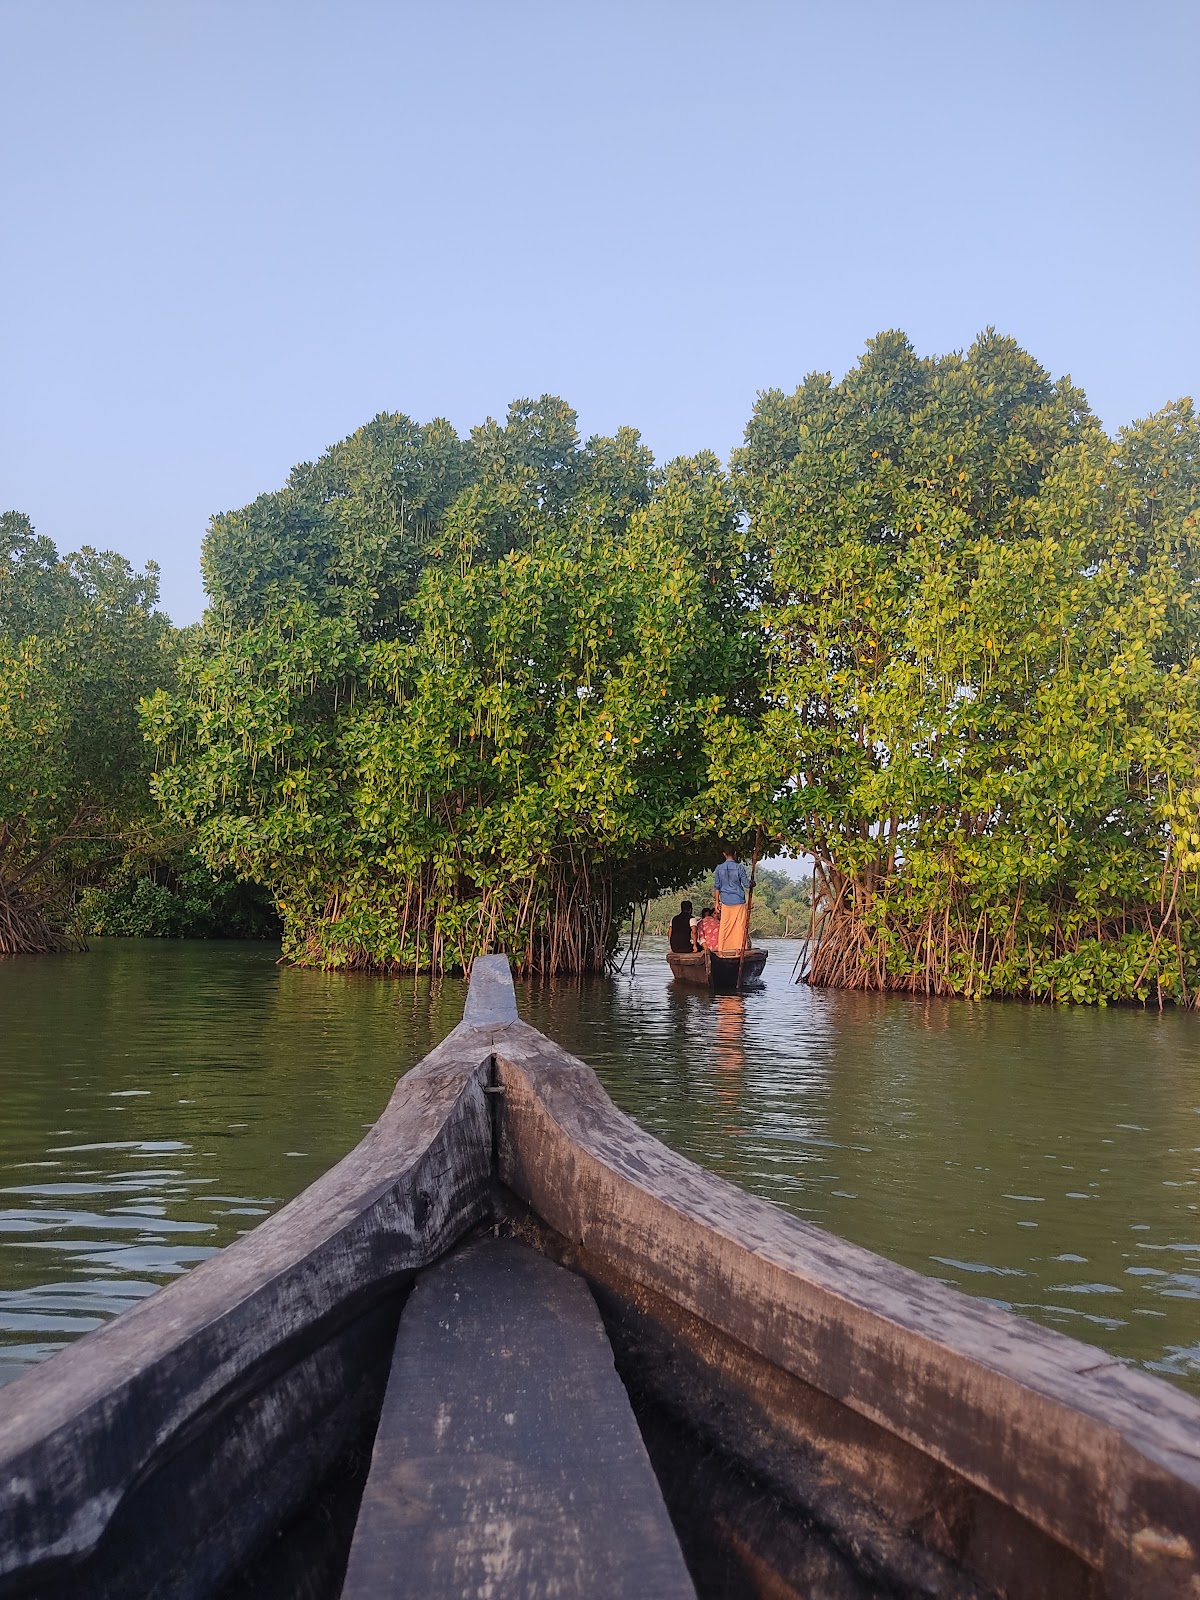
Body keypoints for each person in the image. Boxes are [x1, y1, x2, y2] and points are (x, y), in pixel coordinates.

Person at [713, 849, 751, 954]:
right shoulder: (739, 867)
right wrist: (753, 883)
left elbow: (717, 886)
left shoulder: (719, 868)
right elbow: (747, 884)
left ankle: (721, 949)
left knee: (724, 925)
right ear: (734, 853)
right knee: (740, 925)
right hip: (738, 899)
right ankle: (739, 949)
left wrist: (717, 902)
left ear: (724, 854)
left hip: (725, 900)